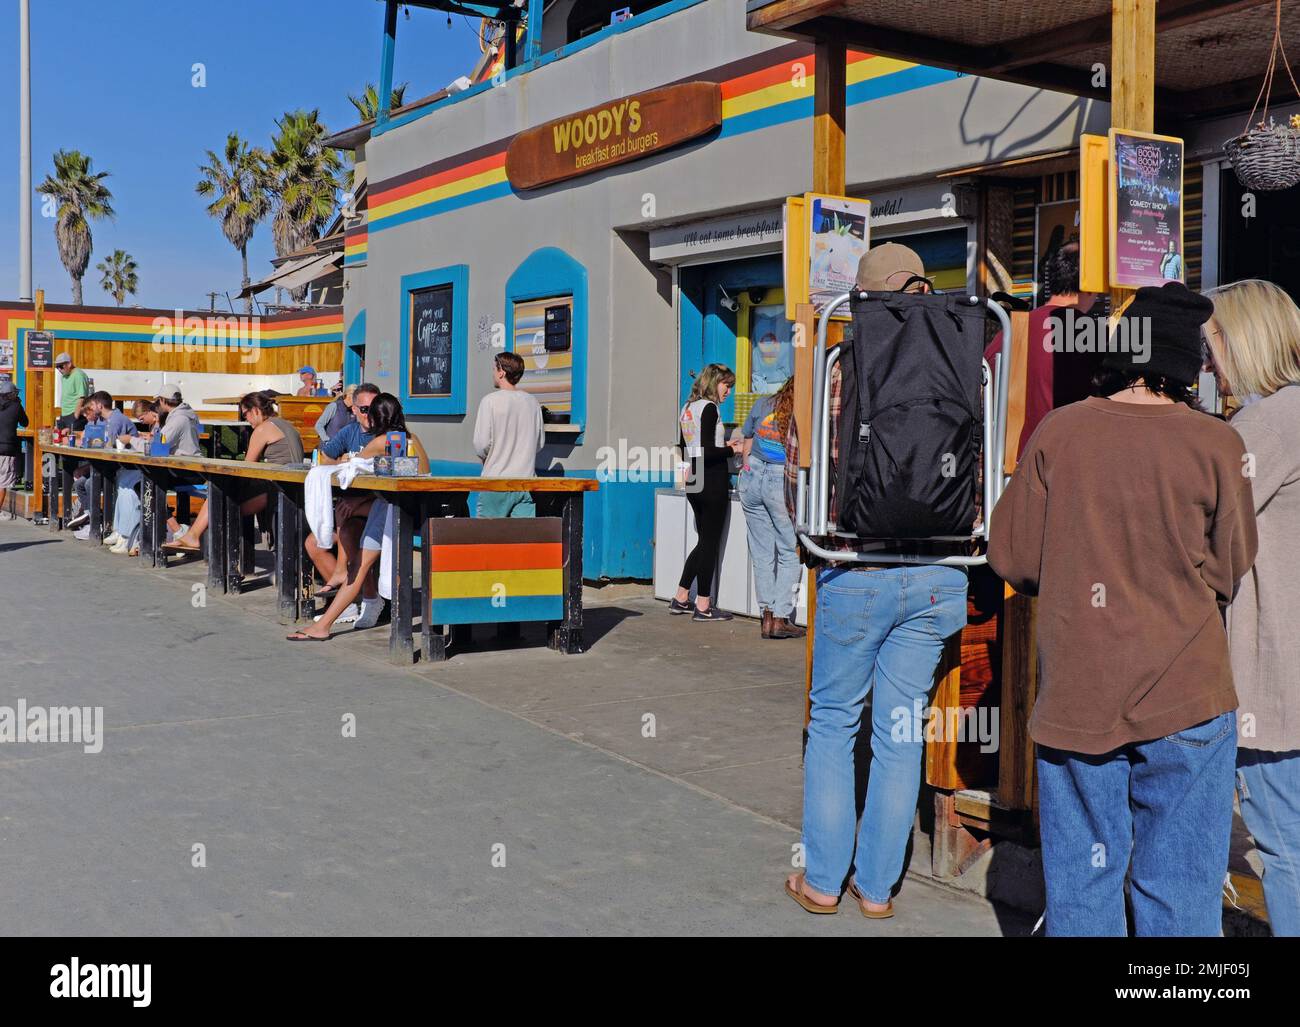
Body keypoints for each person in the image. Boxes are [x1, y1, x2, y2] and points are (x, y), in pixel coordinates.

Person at [989, 282, 1258, 937]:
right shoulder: (1218, 444)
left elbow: (1014, 557)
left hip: (1080, 696)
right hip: (1188, 694)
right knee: (1180, 890)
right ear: (1183, 365)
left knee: (1083, 887)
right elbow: (1232, 567)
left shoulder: (1061, 432)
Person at [781, 243, 968, 919]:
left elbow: (799, 469)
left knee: (833, 724)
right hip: (941, 572)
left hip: (856, 567)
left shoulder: (837, 367)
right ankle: (878, 889)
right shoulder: (964, 363)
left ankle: (823, 881)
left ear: (868, 299)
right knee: (900, 727)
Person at [1204, 279, 1300, 936]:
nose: (1207, 361)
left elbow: (1204, 527)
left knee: (1282, 844)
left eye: (1211, 343)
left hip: (1276, 673)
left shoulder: (1267, 420)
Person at [287, 393, 429, 641]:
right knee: (362, 557)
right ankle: (356, 605)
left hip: (390, 511)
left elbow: (348, 468)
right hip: (417, 512)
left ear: (375, 417)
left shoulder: (380, 441)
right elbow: (423, 473)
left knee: (359, 565)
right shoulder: (413, 438)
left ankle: (325, 623)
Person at [985, 242, 1101, 463]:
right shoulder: (1093, 335)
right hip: (1069, 464)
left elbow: (984, 391)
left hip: (1011, 471)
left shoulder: (1010, 331)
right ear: (1089, 285)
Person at [161, 392, 304, 554]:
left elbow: (247, 469)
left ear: (256, 410)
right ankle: (195, 537)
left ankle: (216, 554)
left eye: (246, 415)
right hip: (295, 487)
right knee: (222, 497)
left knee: (219, 497)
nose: (247, 421)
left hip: (279, 490)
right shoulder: (287, 425)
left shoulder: (263, 429)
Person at [671, 363, 741, 622]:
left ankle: (680, 597)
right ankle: (703, 606)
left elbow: (687, 449)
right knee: (709, 544)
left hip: (694, 480)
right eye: (727, 385)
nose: (729, 391)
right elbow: (708, 451)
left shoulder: (687, 408)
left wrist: (683, 479)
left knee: (703, 541)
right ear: (714, 383)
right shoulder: (710, 408)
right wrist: (730, 449)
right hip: (712, 480)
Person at [739, 377, 804, 640]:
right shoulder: (802, 411)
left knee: (762, 552)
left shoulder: (762, 403)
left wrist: (746, 473)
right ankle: (780, 618)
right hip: (780, 479)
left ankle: (766, 615)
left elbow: (746, 443)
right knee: (790, 551)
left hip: (752, 475)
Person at [305, 382, 381, 596]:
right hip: (349, 508)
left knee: (350, 533)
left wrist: (358, 503)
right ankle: (347, 599)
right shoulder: (350, 431)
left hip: (376, 505)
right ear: (354, 410)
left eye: (375, 408)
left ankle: (368, 598)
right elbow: (326, 459)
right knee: (313, 543)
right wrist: (343, 460)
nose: (370, 414)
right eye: (365, 409)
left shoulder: (386, 435)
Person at [473, 351, 544, 518]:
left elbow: (481, 444)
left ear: (501, 372)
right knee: (522, 540)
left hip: (496, 483)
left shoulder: (489, 401)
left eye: (493, 369)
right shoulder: (532, 402)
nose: (493, 373)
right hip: (526, 483)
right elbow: (539, 444)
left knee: (488, 539)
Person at [0, 379, 28, 520]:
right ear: (12, 394)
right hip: (6, 448)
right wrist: (19, 403)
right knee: (2, 483)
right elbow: (25, 422)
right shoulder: (16, 406)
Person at [54, 352, 91, 428]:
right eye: (57, 367)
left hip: (75, 415)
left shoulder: (79, 375)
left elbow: (82, 397)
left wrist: (75, 416)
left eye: (61, 366)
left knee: (73, 439)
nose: (59, 369)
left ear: (69, 364)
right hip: (64, 415)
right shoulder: (64, 377)